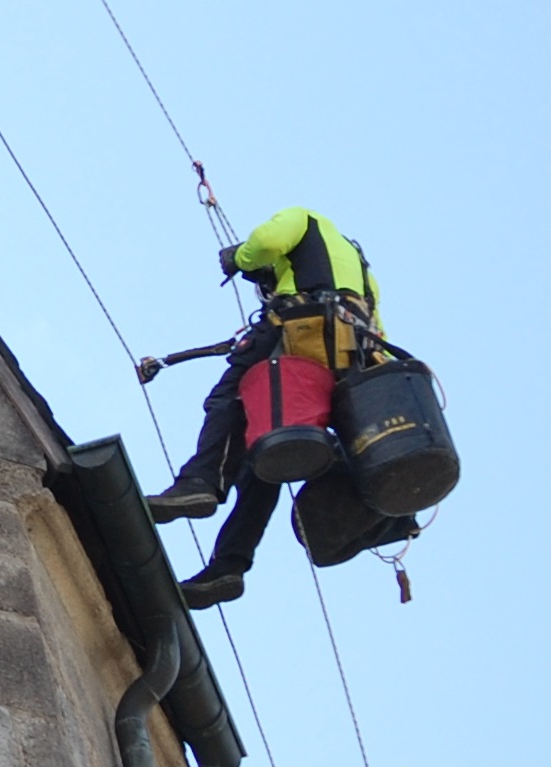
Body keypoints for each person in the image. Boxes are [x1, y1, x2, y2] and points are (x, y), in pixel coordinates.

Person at [149, 207, 407, 607]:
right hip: (353, 357)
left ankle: (199, 483)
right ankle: (228, 566)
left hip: (301, 327)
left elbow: (266, 243)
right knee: (267, 451)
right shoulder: (362, 273)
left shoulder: (304, 218)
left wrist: (238, 258)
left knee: (230, 401)